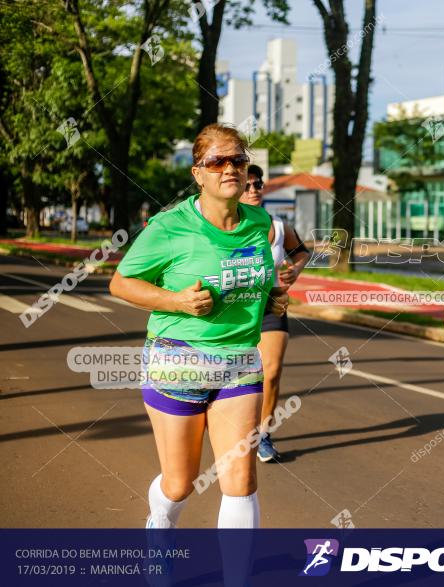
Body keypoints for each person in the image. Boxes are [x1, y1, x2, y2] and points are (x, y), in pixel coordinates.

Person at [109, 123, 289, 530]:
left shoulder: (259, 222)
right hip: (179, 360)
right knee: (180, 483)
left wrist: (271, 294)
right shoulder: (170, 227)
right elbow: (120, 282)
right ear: (198, 173)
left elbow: (254, 274)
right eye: (217, 161)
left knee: (240, 480)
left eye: (238, 160)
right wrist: (175, 301)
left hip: (241, 360)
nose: (229, 168)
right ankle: (160, 524)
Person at [239, 164, 311, 462]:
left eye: (258, 184)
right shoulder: (222, 228)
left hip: (272, 303)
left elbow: (303, 251)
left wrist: (294, 269)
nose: (255, 190)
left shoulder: (279, 227)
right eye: (249, 185)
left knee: (271, 371)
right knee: (231, 374)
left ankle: (263, 434)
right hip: (236, 307)